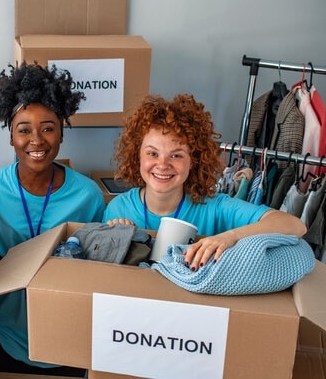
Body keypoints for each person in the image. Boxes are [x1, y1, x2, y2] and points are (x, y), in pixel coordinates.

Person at [0, 62, 105, 377]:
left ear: (61, 132)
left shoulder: (87, 196)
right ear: (10, 136)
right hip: (10, 336)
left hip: (71, 336)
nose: (37, 140)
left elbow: (94, 274)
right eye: (24, 129)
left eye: (47, 127)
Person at [103, 93, 307, 271]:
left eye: (176, 155)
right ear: (136, 155)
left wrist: (230, 237)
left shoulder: (214, 207)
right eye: (153, 153)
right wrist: (115, 236)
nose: (162, 164)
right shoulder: (118, 209)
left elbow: (294, 225)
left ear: (194, 160)